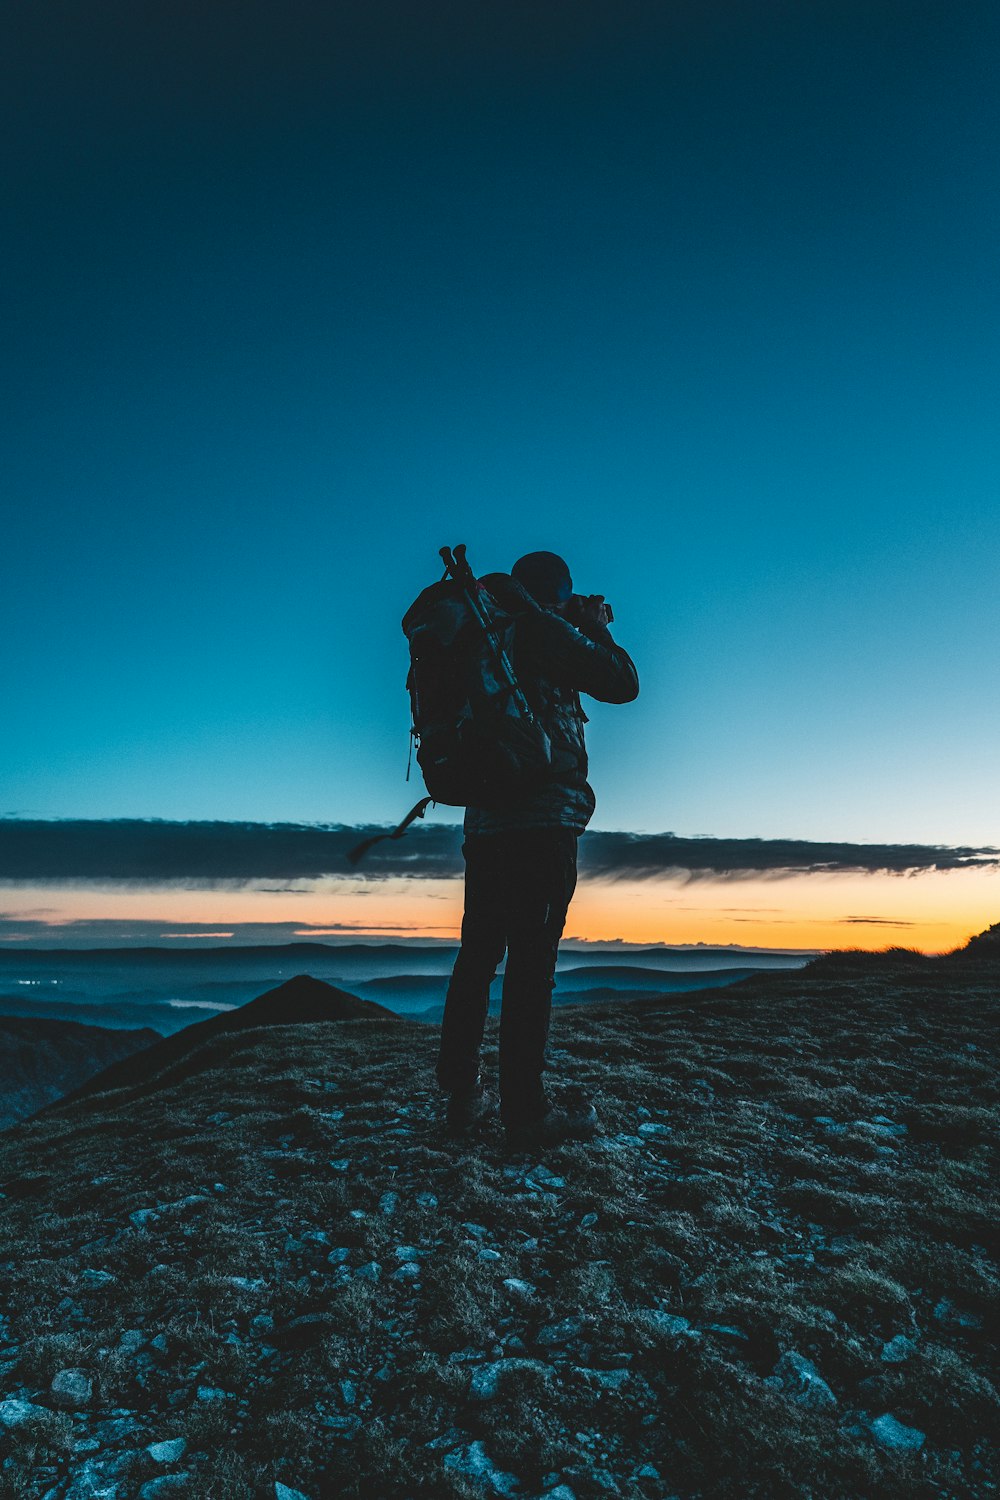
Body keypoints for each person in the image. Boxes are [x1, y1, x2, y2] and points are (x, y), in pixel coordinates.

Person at [436, 550, 639, 1145]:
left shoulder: (484, 632)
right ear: (557, 592)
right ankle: (527, 1113)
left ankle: (463, 1096)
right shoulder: (542, 629)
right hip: (543, 823)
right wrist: (593, 625)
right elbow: (622, 682)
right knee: (532, 965)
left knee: (477, 957)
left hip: (486, 826)